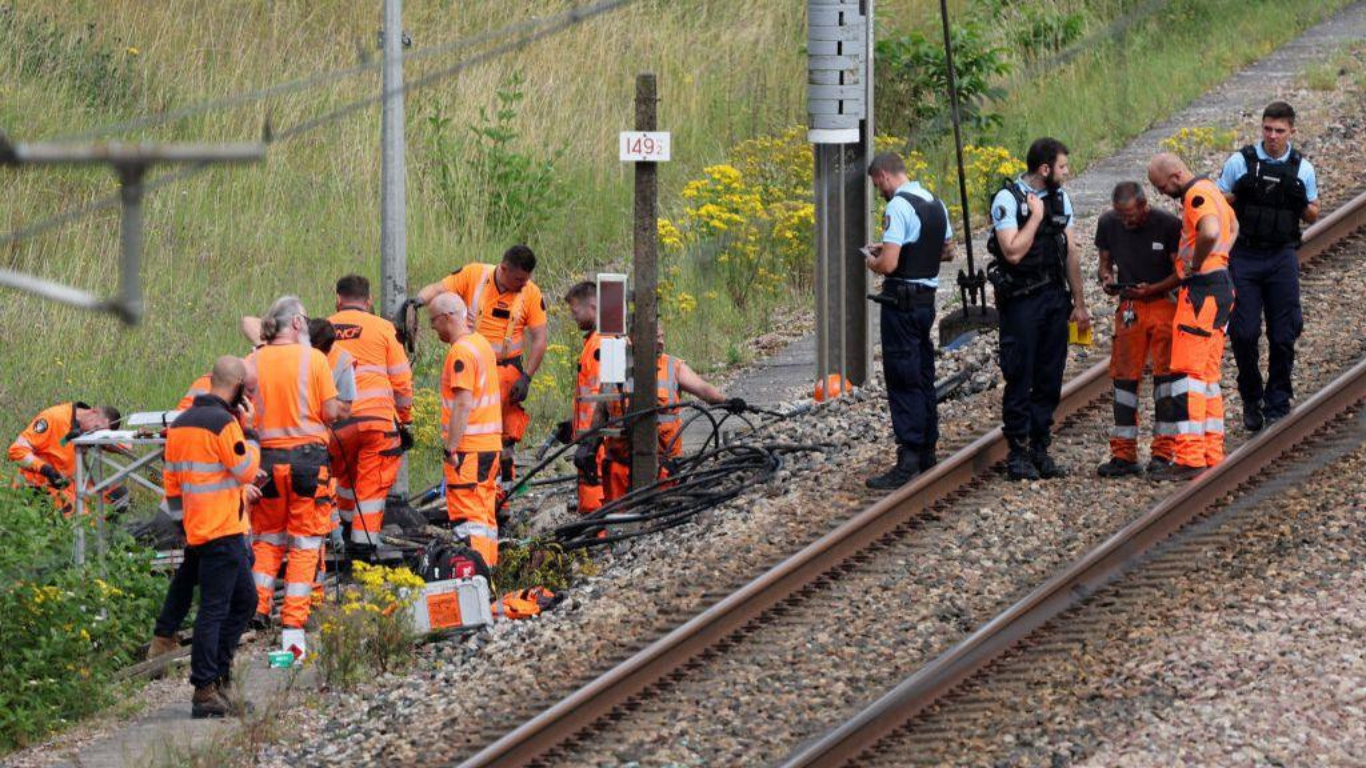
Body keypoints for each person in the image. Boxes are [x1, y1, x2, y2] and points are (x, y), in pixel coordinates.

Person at [158, 356, 261, 718]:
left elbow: (171, 484)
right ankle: (205, 689)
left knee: (244, 601)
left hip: (199, 530)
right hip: (223, 531)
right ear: (235, 388)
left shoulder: (181, 423)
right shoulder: (225, 424)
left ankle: (217, 676)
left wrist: (184, 525)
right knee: (216, 610)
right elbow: (246, 470)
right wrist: (250, 432)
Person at [987, 137, 1091, 480]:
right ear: (1044, 169)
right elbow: (1013, 252)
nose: (1067, 172)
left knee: (1049, 376)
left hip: (1053, 297)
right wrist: (1035, 218)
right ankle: (1017, 452)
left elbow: (1071, 251)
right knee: (1020, 374)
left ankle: (1040, 447)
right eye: (1062, 167)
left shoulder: (1061, 197)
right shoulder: (1008, 200)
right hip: (1021, 301)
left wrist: (1079, 303)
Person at [1217, 101, 1320, 431]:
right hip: (1244, 255)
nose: (1272, 136)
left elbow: (1313, 213)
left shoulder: (1301, 168)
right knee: (1244, 333)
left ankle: (1278, 397)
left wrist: (1299, 199)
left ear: (1291, 131)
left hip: (1281, 256)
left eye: (1279, 131)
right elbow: (1217, 203)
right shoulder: (1240, 162)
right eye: (1267, 129)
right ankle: (1251, 397)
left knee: (1284, 333)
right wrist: (1239, 194)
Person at [248, 296, 343, 631]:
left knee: (267, 538)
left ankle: (257, 607)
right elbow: (331, 412)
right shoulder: (314, 359)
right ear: (298, 323)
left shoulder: (253, 361)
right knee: (304, 541)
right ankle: (294, 618)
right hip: (308, 462)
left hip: (266, 463)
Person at [418, 245, 548, 487]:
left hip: (508, 373)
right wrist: (415, 303)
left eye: (527, 279)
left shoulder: (530, 293)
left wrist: (527, 377)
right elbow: (437, 289)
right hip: (474, 369)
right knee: (469, 432)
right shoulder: (474, 275)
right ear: (504, 268)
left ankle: (503, 496)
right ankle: (472, 483)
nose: (523, 284)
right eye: (519, 278)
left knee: (506, 438)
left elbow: (540, 339)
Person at [863, 151, 955, 489]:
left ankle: (909, 455)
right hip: (925, 302)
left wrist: (872, 260)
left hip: (901, 302)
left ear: (885, 176)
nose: (879, 191)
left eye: (878, 185)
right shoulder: (935, 202)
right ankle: (928, 447)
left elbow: (888, 265)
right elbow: (947, 250)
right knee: (922, 371)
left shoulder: (898, 207)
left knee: (902, 375)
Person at [1148, 153, 1238, 480]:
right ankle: (1212, 450)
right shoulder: (1212, 190)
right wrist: (1219, 259)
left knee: (1188, 376)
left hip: (1201, 292)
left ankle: (1189, 456)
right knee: (1207, 377)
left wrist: (1196, 264)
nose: (1161, 194)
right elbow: (1233, 226)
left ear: (1174, 175)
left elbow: (1211, 231)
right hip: (1221, 287)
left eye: (1161, 187)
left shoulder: (1195, 196)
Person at [584, 323, 741, 504]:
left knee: (661, 518)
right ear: (633, 339)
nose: (660, 342)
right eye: (655, 338)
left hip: (663, 467)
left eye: (662, 337)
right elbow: (601, 412)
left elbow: (703, 389)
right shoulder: (615, 364)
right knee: (619, 523)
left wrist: (726, 401)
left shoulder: (672, 366)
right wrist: (589, 447)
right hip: (619, 469)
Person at [1094, 181, 1183, 477]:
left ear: (1144, 206)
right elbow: (1104, 263)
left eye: (1130, 215)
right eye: (1121, 215)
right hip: (1130, 306)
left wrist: (1153, 288)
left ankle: (1164, 452)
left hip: (1162, 304)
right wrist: (1107, 278)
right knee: (1123, 379)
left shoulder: (1168, 225)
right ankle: (1123, 454)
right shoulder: (1108, 223)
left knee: (1166, 378)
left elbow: (1181, 272)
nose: (1125, 221)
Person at [327, 275, 414, 552]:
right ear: (369, 300)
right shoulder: (383, 328)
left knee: (344, 479)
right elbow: (401, 382)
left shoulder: (323, 329)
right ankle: (362, 549)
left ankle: (343, 530)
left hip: (337, 424)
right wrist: (405, 421)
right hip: (377, 423)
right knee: (371, 487)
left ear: (338, 299)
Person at [427, 292, 503, 567]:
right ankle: (489, 572)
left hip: (468, 449)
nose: (433, 328)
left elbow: (462, 402)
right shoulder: (480, 344)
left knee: (469, 519)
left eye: (434, 321)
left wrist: (451, 446)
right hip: (489, 445)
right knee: (484, 517)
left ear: (447, 317)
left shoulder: (460, 351)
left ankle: (474, 578)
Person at [8, 401, 121, 511]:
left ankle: (114, 528)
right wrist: (45, 469)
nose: (94, 433)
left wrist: (110, 441)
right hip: (37, 485)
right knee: (81, 516)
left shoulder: (87, 430)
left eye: (99, 433)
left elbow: (121, 443)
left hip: (65, 484)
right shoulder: (54, 417)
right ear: (94, 412)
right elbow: (16, 450)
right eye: (96, 428)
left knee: (117, 496)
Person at [562, 281, 606, 515]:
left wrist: (591, 439)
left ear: (592, 305)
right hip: (592, 436)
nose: (574, 318)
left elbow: (605, 396)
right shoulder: (592, 343)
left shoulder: (601, 344)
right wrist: (573, 426)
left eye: (576, 312)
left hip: (598, 441)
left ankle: (599, 542)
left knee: (595, 500)